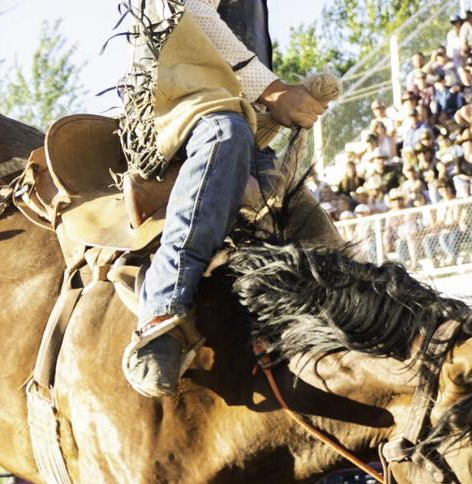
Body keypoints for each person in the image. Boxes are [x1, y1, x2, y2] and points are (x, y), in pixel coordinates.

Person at [120, 0, 325, 398]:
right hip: (171, 105)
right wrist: (274, 91)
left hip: (240, 116)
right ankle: (160, 306)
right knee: (223, 136)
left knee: (310, 223)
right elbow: (188, 11)